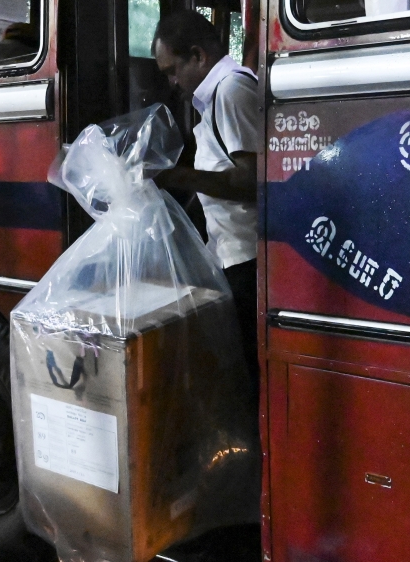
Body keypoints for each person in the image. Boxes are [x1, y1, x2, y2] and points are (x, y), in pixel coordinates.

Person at [151, 11, 261, 392]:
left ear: (198, 56)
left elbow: (251, 181)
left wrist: (173, 176)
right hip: (231, 258)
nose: (172, 82)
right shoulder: (216, 97)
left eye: (172, 69)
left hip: (248, 263)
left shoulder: (232, 91)